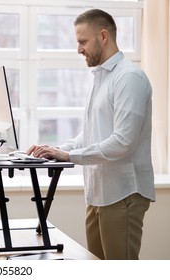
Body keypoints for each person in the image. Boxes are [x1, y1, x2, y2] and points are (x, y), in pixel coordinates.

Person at [27, 9, 155, 260]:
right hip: (98, 193)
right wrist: (56, 150)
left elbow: (123, 142)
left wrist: (69, 155)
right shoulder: (102, 78)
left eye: (82, 41)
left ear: (103, 36)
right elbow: (92, 133)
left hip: (122, 194)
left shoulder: (129, 78)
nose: (79, 49)